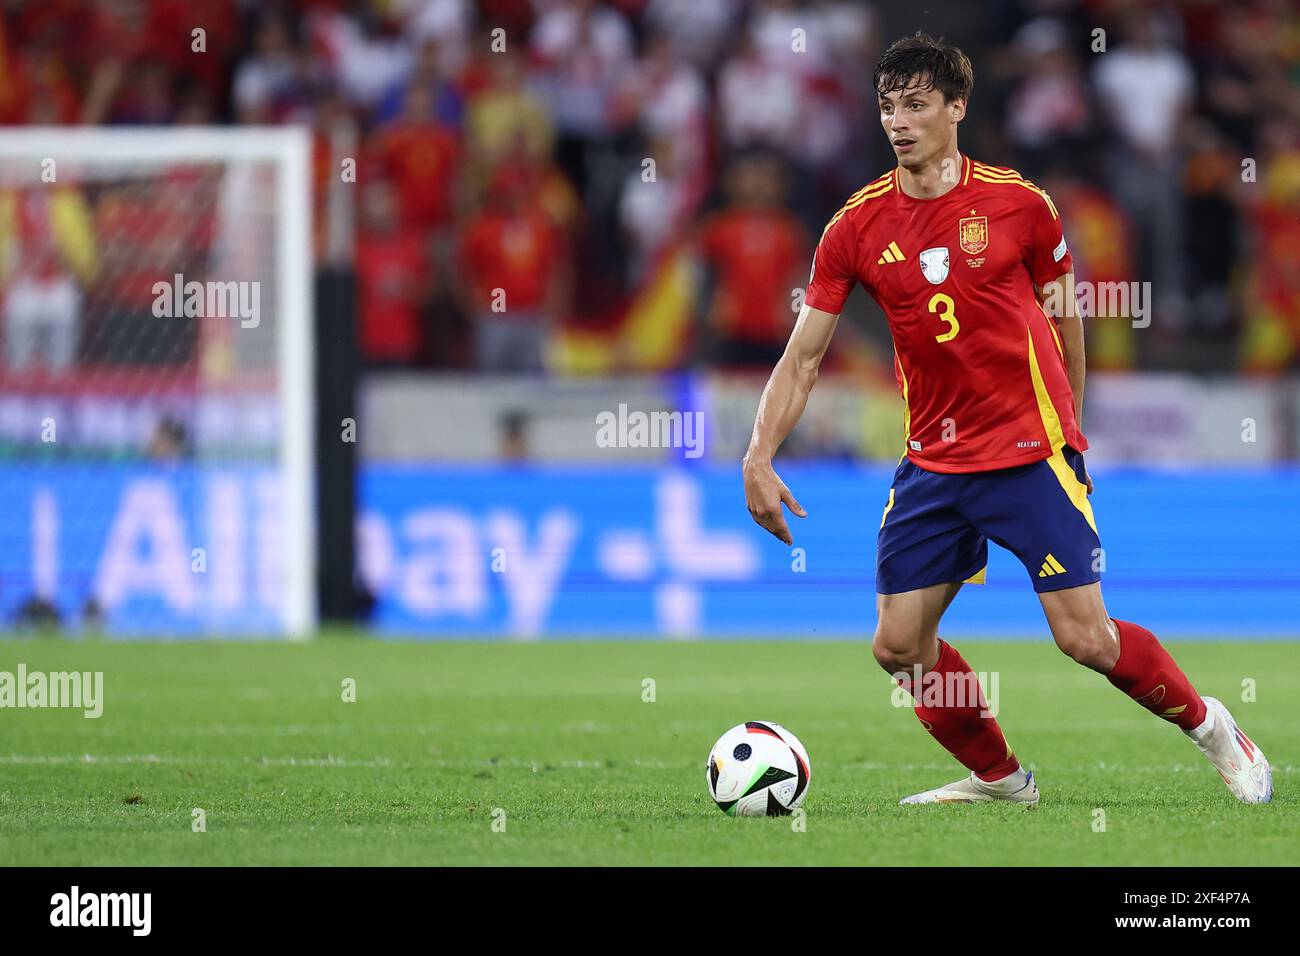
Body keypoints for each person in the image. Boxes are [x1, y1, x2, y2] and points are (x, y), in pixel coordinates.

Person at [741, 33, 1271, 806]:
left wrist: (1071, 430)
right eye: (888, 107)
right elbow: (803, 357)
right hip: (932, 462)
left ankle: (1217, 729)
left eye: (917, 105)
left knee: (1084, 638)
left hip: (1028, 452)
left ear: (958, 107)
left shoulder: (1021, 206)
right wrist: (759, 453)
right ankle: (1001, 777)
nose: (899, 121)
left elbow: (1067, 321)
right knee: (898, 646)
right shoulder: (854, 228)